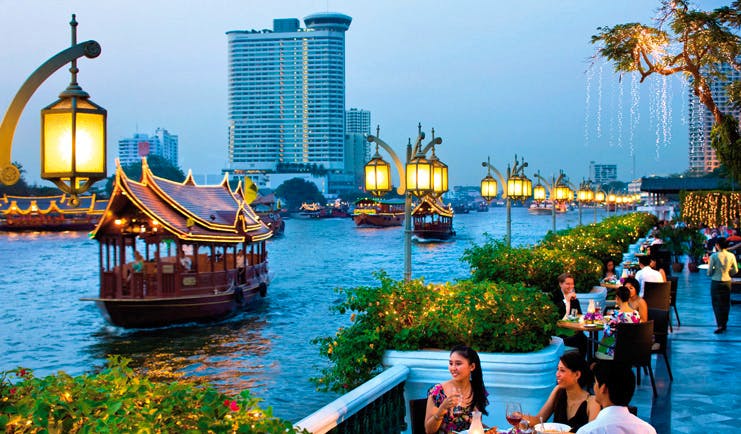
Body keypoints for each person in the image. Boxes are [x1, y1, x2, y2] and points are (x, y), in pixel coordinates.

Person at [525, 351, 600, 431]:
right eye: (558, 369)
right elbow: (539, 420)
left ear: (577, 375)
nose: (557, 374)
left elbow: (593, 432)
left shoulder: (592, 402)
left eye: (562, 370)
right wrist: (522, 418)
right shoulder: (558, 391)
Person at [575, 362, 657, 434]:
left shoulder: (588, 431)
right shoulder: (648, 430)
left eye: (595, 382)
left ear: (603, 388)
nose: (594, 387)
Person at [425, 345, 489, 434]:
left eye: (458, 364)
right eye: (451, 363)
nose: (453, 368)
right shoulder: (438, 391)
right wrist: (442, 409)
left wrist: (492, 431)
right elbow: (429, 431)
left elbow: (475, 425)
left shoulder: (476, 389)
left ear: (472, 367)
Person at [596, 286, 641, 359]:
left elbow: (608, 333)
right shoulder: (636, 314)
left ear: (617, 298)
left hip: (616, 352)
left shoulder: (616, 314)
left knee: (602, 342)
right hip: (631, 351)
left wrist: (604, 322)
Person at [707, 237, 739, 334]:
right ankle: (724, 323)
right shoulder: (731, 255)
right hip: (727, 281)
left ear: (717, 245)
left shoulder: (714, 256)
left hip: (716, 282)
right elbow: (736, 270)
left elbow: (709, 272)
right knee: (726, 303)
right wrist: (729, 272)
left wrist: (713, 271)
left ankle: (719, 324)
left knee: (716, 303)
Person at [552, 273, 588, 356]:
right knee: (582, 340)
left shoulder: (574, 298)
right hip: (559, 332)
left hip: (572, 330)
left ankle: (582, 365)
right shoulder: (554, 296)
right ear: (560, 284)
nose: (570, 286)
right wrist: (567, 301)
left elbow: (579, 315)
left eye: (572, 284)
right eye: (567, 284)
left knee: (587, 340)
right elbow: (557, 316)